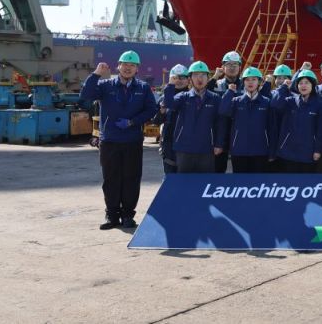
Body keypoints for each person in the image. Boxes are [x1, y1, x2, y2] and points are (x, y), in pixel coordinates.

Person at [80, 51, 158, 230]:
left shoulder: (143, 88)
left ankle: (128, 215)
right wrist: (96, 74)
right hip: (110, 140)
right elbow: (86, 94)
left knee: (131, 178)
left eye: (132, 65)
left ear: (137, 69)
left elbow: (151, 110)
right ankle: (112, 215)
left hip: (132, 140)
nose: (128, 68)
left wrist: (132, 122)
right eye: (125, 64)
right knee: (111, 179)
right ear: (118, 66)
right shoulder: (105, 85)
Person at [162, 61, 223, 174]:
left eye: (203, 75)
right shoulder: (183, 97)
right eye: (195, 75)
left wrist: (219, 144)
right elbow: (169, 104)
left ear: (208, 78)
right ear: (190, 79)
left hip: (206, 149)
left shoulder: (215, 99)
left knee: (204, 182)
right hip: (184, 148)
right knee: (184, 182)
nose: (200, 78)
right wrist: (170, 85)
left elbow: (220, 124)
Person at [217, 66, 273, 173]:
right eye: (247, 80)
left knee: (258, 182)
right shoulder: (236, 101)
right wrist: (230, 92)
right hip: (239, 151)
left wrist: (271, 151)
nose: (250, 82)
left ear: (259, 82)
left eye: (254, 79)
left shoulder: (266, 102)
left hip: (260, 151)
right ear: (243, 82)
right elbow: (223, 111)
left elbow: (272, 128)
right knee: (240, 182)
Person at [270, 69, 322, 173]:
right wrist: (284, 87)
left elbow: (321, 130)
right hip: (287, 152)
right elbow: (275, 104)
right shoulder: (290, 101)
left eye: (307, 82)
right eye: (300, 83)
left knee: (305, 182)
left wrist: (318, 150)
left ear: (313, 85)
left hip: (308, 153)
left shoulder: (319, 104)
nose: (303, 85)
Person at [211, 50, 244, 173]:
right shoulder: (216, 84)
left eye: (235, 64)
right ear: (223, 67)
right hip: (220, 133)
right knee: (218, 169)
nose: (232, 67)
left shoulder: (247, 84)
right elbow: (204, 91)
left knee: (240, 171)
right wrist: (214, 77)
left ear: (240, 67)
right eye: (228, 64)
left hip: (240, 133)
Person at [152, 63, 189, 174]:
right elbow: (156, 121)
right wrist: (162, 111)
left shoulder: (192, 97)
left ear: (188, 79)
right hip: (169, 144)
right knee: (170, 178)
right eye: (175, 78)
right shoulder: (164, 98)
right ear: (170, 79)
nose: (179, 80)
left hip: (188, 144)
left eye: (182, 77)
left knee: (187, 178)